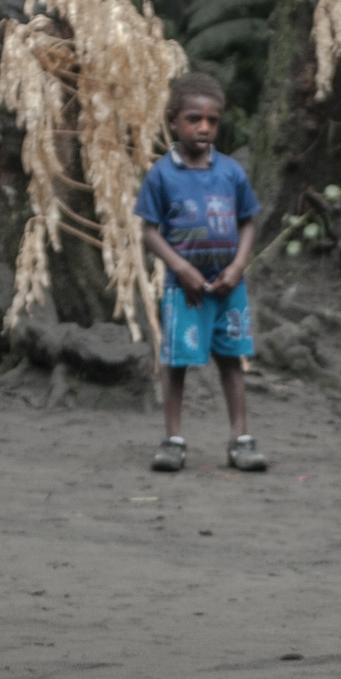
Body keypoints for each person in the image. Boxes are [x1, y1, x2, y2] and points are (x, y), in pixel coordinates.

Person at [136, 73, 265, 474]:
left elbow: (247, 222)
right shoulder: (162, 175)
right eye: (195, 119)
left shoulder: (231, 173)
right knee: (177, 362)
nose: (205, 127)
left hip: (229, 287)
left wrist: (238, 266)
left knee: (231, 361)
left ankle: (240, 439)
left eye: (213, 120)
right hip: (184, 289)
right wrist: (181, 267)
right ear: (174, 120)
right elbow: (148, 232)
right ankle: (173, 440)